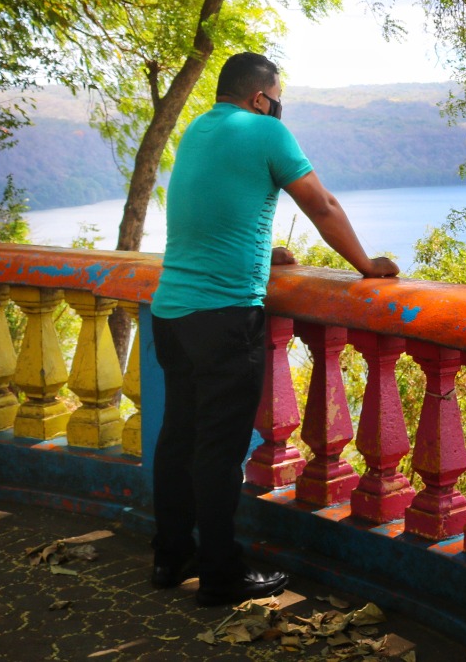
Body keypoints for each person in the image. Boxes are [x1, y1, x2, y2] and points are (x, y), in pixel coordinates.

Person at [147, 52, 399, 606]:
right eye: (276, 98)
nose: (277, 106)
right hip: (223, 316)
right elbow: (321, 205)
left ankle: (171, 556)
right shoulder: (266, 131)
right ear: (261, 98)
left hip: (171, 314)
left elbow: (213, 215)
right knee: (218, 453)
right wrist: (366, 264)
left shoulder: (197, 131)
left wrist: (263, 252)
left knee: (178, 439)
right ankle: (221, 574)